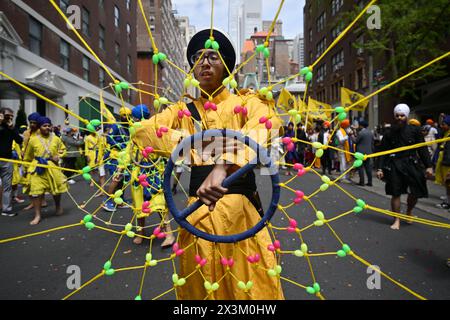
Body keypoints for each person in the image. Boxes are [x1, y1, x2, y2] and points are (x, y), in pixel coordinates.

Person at [132, 28, 284, 299]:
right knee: (200, 291)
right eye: (197, 57)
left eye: (212, 56)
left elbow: (269, 125)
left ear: (226, 65)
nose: (203, 62)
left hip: (242, 218)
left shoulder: (247, 101)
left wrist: (223, 165)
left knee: (249, 291)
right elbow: (143, 133)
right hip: (198, 219)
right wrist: (201, 144)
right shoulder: (181, 110)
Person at [125, 104, 176, 247]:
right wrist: (120, 169)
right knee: (139, 205)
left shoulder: (154, 131)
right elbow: (129, 153)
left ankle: (169, 234)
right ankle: (140, 233)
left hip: (154, 173)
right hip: (138, 174)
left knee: (159, 204)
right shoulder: (134, 133)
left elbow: (165, 150)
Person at [376, 104, 433, 230]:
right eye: (397, 115)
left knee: (416, 191)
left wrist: (429, 166)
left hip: (412, 163)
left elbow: (422, 148)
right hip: (395, 164)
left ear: (406, 116)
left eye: (402, 116)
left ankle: (409, 211)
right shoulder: (389, 132)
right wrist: (380, 168)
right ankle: (397, 219)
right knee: (395, 193)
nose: (399, 118)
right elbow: (382, 151)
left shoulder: (415, 130)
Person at [23, 116, 67, 225]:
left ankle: (58, 207)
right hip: (37, 167)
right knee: (36, 192)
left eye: (49, 125)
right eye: (44, 126)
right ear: (40, 127)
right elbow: (27, 156)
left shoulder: (56, 138)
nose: (47, 127)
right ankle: (37, 215)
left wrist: (59, 156)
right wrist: (25, 169)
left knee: (57, 189)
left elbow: (63, 149)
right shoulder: (33, 140)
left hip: (53, 166)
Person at [102, 107, 131, 212]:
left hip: (125, 158)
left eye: (128, 115)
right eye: (124, 115)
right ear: (120, 116)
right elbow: (109, 138)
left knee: (122, 181)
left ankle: (120, 201)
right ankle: (107, 201)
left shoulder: (129, 127)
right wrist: (120, 145)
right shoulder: (115, 126)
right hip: (116, 157)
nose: (126, 117)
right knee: (116, 179)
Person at [0, 107, 23, 216]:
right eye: (7, 115)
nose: (9, 118)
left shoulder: (10, 128)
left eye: (11, 116)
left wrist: (12, 128)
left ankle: (6, 209)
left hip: (7, 160)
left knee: (7, 186)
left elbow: (19, 140)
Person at [434, 115, 450, 210]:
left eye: (444, 124)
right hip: (445, 164)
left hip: (448, 165)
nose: (441, 126)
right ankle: (447, 202)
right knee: (447, 185)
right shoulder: (446, 134)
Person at [84, 125, 106, 192]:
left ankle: (101, 181)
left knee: (100, 169)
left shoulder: (99, 136)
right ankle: (92, 181)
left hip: (99, 154)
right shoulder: (87, 137)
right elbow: (86, 147)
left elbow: (103, 145)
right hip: (91, 153)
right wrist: (87, 155)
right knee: (91, 169)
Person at [355, 120, 374, 186]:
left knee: (360, 168)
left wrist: (350, 135)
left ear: (361, 126)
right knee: (368, 168)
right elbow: (372, 143)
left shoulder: (361, 133)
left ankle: (362, 182)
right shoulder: (370, 133)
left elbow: (355, 141)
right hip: (368, 152)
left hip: (360, 153)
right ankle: (370, 182)